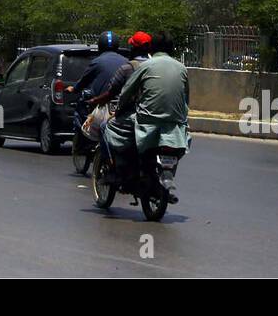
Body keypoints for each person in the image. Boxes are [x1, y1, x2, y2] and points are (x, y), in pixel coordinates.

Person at [102, 31, 189, 198]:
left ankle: (117, 172)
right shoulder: (182, 68)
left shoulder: (145, 66)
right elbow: (186, 98)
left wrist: (118, 110)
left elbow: (126, 92)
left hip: (147, 121)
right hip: (175, 124)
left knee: (108, 127)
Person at [66, 30, 129, 130]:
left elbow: (83, 82)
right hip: (123, 108)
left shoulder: (97, 62)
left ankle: (79, 142)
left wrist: (73, 89)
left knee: (79, 115)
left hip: (101, 107)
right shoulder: (126, 61)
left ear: (100, 45)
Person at [87, 31, 152, 109]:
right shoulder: (156, 66)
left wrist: (94, 101)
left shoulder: (127, 68)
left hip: (134, 114)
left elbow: (110, 93)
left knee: (109, 121)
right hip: (155, 110)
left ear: (134, 48)